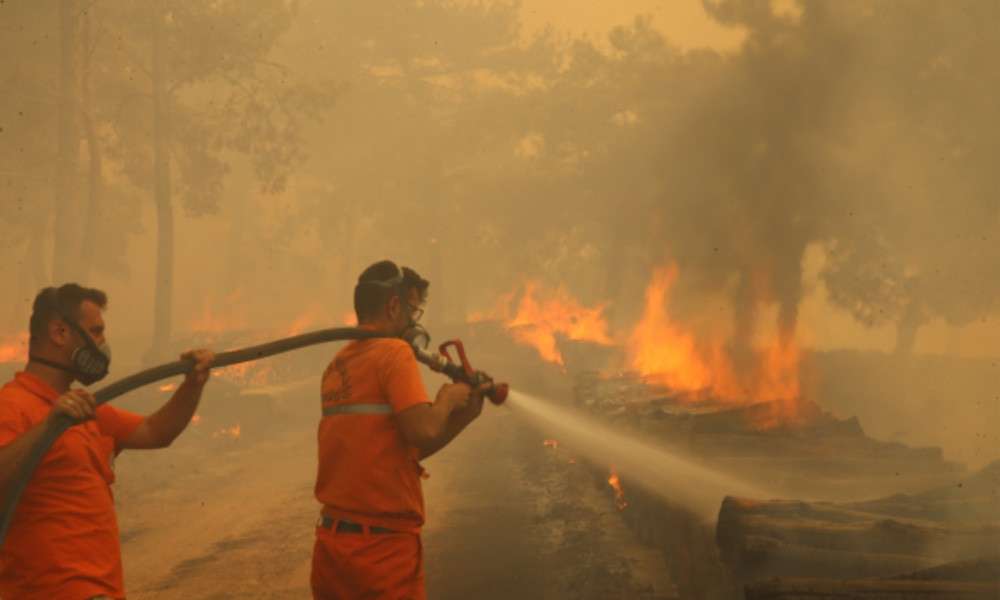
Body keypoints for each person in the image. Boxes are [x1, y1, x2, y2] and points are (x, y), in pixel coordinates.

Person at [0, 284, 215, 600]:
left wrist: (193, 385)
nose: (102, 345)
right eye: (96, 331)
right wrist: (49, 426)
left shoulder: (88, 410)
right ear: (60, 333)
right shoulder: (12, 405)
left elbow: (156, 431)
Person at [311, 260, 484, 600]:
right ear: (393, 307)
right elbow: (423, 431)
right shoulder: (394, 353)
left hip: (332, 550)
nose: (413, 322)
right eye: (413, 311)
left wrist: (465, 416)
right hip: (382, 553)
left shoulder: (338, 365)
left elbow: (404, 447)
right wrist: (448, 398)